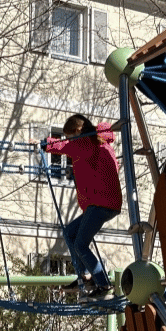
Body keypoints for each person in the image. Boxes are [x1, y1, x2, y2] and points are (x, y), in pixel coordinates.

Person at [40, 114, 122, 298]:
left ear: (78, 131)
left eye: (70, 135)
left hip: (101, 204)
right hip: (101, 203)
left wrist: (44, 144)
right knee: (70, 232)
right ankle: (84, 276)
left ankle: (103, 284)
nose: (70, 140)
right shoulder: (98, 145)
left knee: (80, 244)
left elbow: (66, 146)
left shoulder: (87, 144)